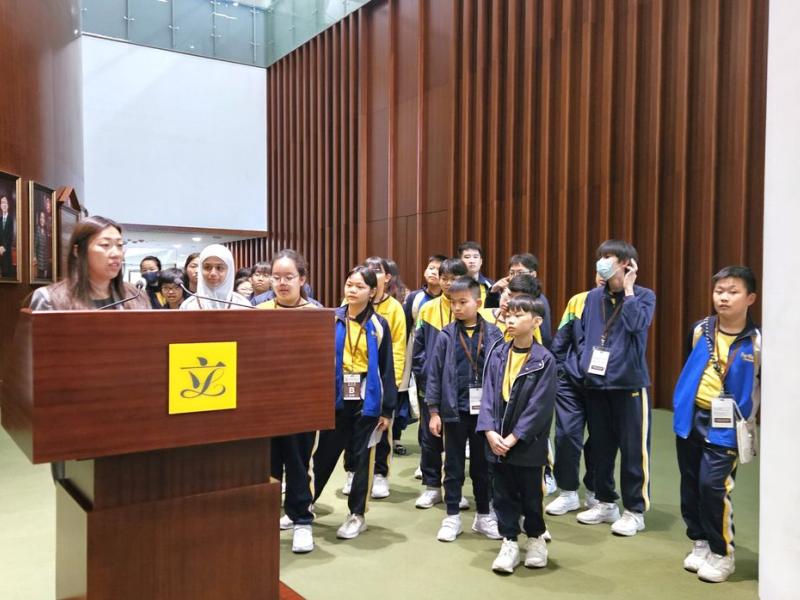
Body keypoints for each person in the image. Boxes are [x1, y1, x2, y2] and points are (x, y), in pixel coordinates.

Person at [673, 266, 760, 583]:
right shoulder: (701, 330)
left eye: (733, 292)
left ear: (750, 298)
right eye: (719, 291)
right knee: (690, 483)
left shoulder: (758, 342)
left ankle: (723, 553)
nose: (723, 297)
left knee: (713, 486)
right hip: (691, 416)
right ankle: (700, 541)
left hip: (728, 424)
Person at [575, 240, 655, 537]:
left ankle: (635, 510)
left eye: (608, 256)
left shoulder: (644, 296)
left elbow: (637, 325)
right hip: (597, 383)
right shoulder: (593, 297)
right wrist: (585, 364)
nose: (602, 261)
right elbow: (586, 333)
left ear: (626, 263)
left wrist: (630, 290)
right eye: (600, 256)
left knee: (634, 451)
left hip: (629, 384)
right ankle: (606, 502)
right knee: (600, 448)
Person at [311, 266, 397, 539]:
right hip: (335, 397)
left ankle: (357, 515)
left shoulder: (379, 325)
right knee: (322, 456)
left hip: (367, 400)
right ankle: (303, 507)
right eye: (349, 284)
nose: (352, 290)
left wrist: (387, 410)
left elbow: (387, 369)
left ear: (372, 292)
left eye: (359, 287)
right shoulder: (331, 319)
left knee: (361, 460)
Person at [477, 295, 556, 573]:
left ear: (536, 322)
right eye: (508, 315)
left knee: (531, 495)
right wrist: (489, 431)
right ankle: (509, 540)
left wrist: (514, 437)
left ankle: (535, 539)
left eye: (519, 315)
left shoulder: (544, 360)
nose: (510, 320)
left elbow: (539, 407)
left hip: (527, 444)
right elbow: (488, 394)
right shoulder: (498, 352)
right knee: (502, 494)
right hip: (496, 441)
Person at [426, 276, 503, 542]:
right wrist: (434, 411)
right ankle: (452, 516)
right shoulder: (446, 335)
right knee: (453, 464)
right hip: (454, 411)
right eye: (453, 303)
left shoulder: (494, 334)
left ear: (478, 303)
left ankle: (484, 515)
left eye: (463, 302)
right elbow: (434, 374)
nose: (457, 308)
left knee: (483, 466)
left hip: (485, 414)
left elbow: (500, 373)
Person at [255, 249, 321, 554]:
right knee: (267, 465)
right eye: (276, 277)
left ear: (302, 279)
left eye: (289, 277)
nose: (282, 283)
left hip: (301, 405)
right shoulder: (259, 311)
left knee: (297, 464)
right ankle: (266, 517)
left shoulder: (316, 313)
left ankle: (302, 520)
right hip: (265, 405)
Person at [344, 257, 405, 500]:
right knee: (351, 432)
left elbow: (396, 348)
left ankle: (380, 474)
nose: (353, 289)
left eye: (376, 271)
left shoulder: (394, 308)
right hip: (349, 380)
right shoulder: (345, 306)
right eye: (350, 284)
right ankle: (352, 471)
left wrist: (393, 384)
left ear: (385, 278)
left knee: (380, 431)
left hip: (377, 379)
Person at [545, 273, 604, 517]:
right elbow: (561, 340)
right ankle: (568, 492)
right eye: (600, 271)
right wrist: (560, 371)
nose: (603, 277)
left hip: (604, 387)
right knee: (566, 435)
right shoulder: (578, 301)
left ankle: (594, 490)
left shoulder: (629, 303)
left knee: (600, 441)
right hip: (571, 382)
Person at [411, 258, 468, 508]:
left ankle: (455, 488)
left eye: (455, 278)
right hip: (431, 385)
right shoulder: (428, 309)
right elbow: (419, 348)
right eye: (445, 278)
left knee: (457, 440)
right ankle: (432, 486)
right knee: (430, 437)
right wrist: (425, 373)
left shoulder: (470, 307)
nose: (448, 283)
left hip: (462, 387)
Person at [29, 215, 150, 311]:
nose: (116, 254)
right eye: (105, 245)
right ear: (78, 251)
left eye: (119, 245)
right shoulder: (50, 299)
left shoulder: (136, 295)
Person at [403, 254, 447, 464]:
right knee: (426, 415)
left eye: (438, 270)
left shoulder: (454, 303)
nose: (433, 272)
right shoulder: (415, 298)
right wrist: (418, 366)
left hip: (446, 370)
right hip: (422, 364)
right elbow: (407, 330)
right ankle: (427, 461)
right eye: (430, 268)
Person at [489, 253, 553, 347]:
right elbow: (491, 314)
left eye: (520, 273)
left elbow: (545, 334)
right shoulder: (506, 293)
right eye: (512, 273)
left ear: (533, 274)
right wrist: (493, 292)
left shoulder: (538, 299)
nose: (515, 276)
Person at [180, 245, 251, 310]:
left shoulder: (242, 304)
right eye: (207, 267)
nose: (213, 273)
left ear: (229, 271)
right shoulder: (188, 305)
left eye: (219, 268)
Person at [458, 241, 498, 307]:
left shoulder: (490, 285)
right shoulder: (454, 284)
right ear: (460, 261)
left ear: (481, 261)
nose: (472, 261)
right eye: (467, 257)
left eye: (475, 257)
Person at [0, 195, 15, 278]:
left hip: (7, 252)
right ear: (0, 205)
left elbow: (10, 235)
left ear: (8, 205)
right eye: (2, 203)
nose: (4, 205)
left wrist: (3, 247)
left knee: (7, 274)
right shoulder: (0, 219)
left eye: (5, 203)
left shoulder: (11, 219)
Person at [34, 210, 51, 280]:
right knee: (40, 278)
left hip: (46, 260)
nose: (42, 219)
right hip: (39, 260)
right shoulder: (37, 230)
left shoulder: (47, 231)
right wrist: (34, 257)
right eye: (41, 217)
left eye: (43, 218)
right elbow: (34, 245)